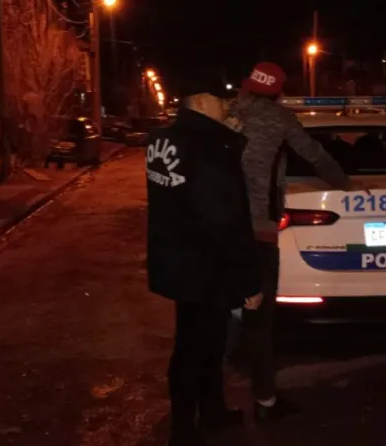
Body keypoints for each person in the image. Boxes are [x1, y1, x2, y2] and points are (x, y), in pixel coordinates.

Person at [228, 61, 366, 421]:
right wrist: (346, 184)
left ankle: (209, 399)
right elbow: (315, 155)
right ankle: (265, 400)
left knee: (222, 311)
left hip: (220, 228)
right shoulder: (281, 119)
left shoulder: (225, 115)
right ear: (278, 93)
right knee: (260, 318)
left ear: (246, 86)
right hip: (259, 231)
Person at [145, 69, 263, 446]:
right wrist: (248, 280)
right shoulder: (208, 147)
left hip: (181, 258)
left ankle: (209, 412)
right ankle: (184, 428)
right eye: (218, 100)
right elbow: (224, 219)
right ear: (199, 103)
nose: (225, 105)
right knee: (195, 348)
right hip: (206, 264)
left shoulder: (168, 139)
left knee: (207, 342)